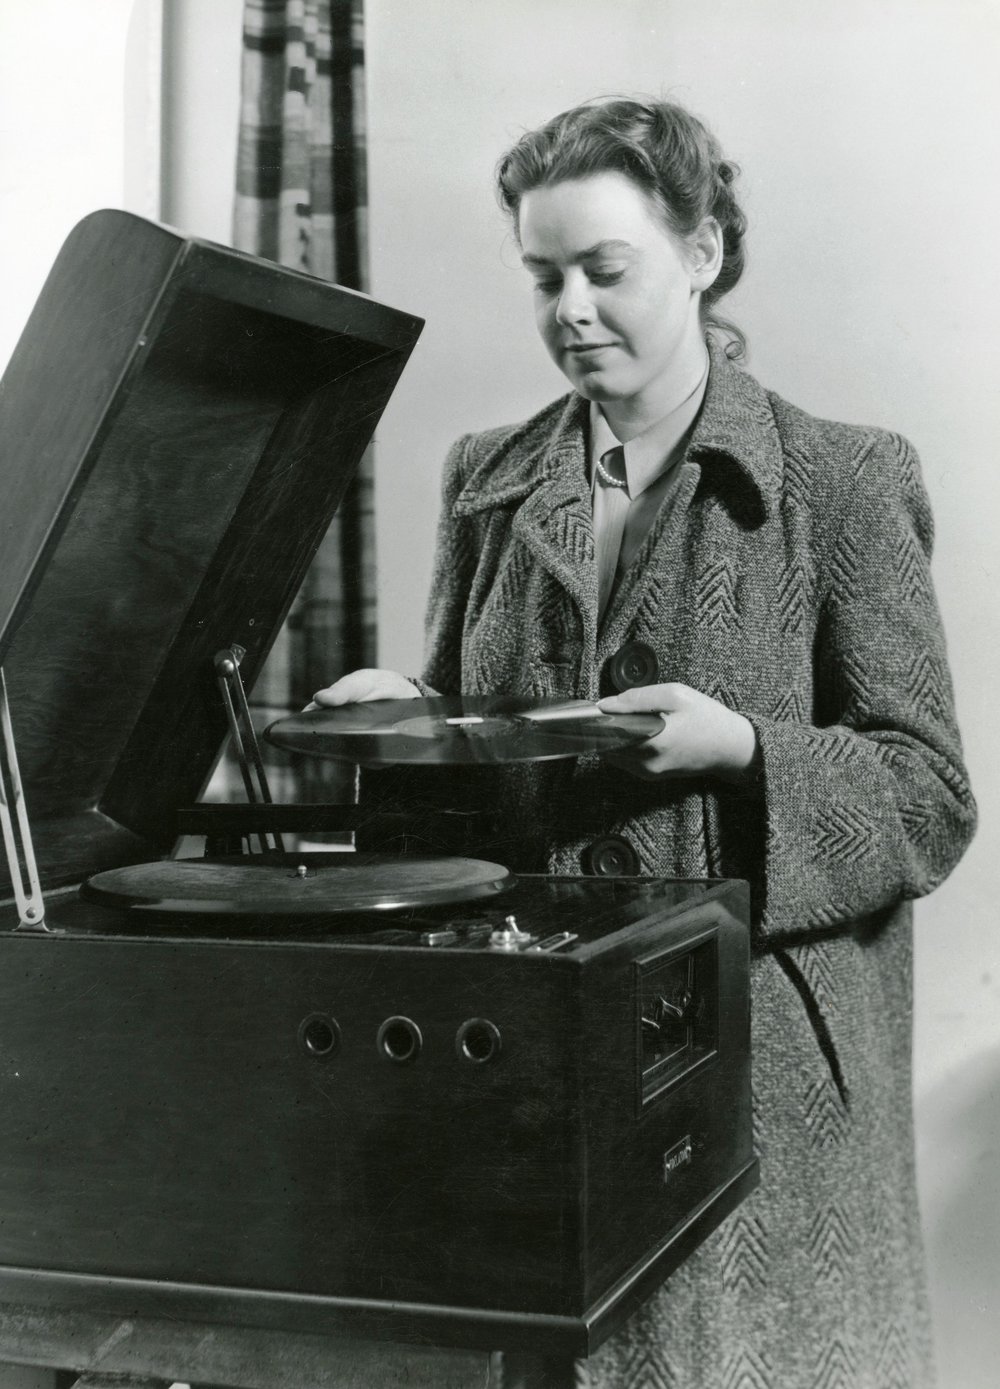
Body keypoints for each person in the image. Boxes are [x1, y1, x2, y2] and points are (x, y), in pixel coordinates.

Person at [313, 97, 976, 1389]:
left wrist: (748, 751)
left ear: (704, 252)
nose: (569, 307)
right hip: (541, 1071)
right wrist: (404, 710)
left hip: (765, 1093)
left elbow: (930, 789)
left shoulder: (839, 482)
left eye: (603, 270)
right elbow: (467, 723)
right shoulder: (488, 479)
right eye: (543, 276)